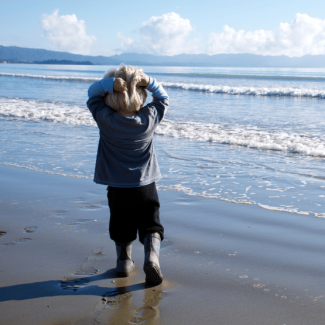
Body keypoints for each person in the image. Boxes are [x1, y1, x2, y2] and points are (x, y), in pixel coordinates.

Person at [87, 65, 169, 286]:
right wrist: (148, 81)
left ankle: (124, 262)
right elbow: (162, 97)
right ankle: (152, 258)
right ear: (141, 95)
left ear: (108, 97)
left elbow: (91, 93)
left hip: (117, 186)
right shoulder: (149, 118)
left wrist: (110, 85)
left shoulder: (104, 118)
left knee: (120, 223)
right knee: (151, 224)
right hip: (145, 185)